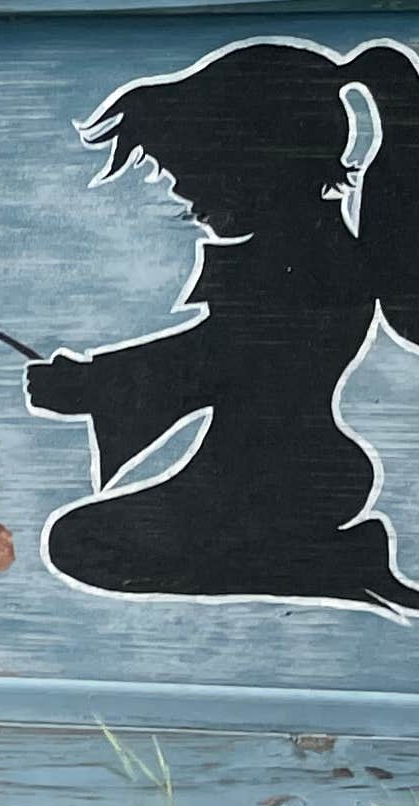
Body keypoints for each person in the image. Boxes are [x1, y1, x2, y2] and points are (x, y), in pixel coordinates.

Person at [25, 37, 419, 613]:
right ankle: (328, 559)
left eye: (190, 168)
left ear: (256, 162)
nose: (181, 189)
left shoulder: (308, 263)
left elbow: (218, 362)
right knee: (83, 539)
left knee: (80, 543)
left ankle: (340, 563)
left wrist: (92, 386)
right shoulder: (307, 249)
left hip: (282, 479)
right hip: (266, 473)